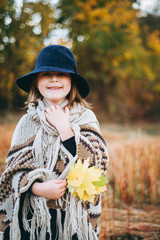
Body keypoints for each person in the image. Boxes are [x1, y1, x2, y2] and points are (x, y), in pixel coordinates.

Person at [0, 45, 109, 240]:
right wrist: (37, 188)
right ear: (37, 81)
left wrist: (64, 128)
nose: (54, 79)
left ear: (72, 81)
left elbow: (95, 166)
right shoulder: (27, 122)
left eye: (61, 74)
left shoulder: (86, 118)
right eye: (46, 74)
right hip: (31, 220)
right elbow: (13, 173)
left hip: (73, 219)